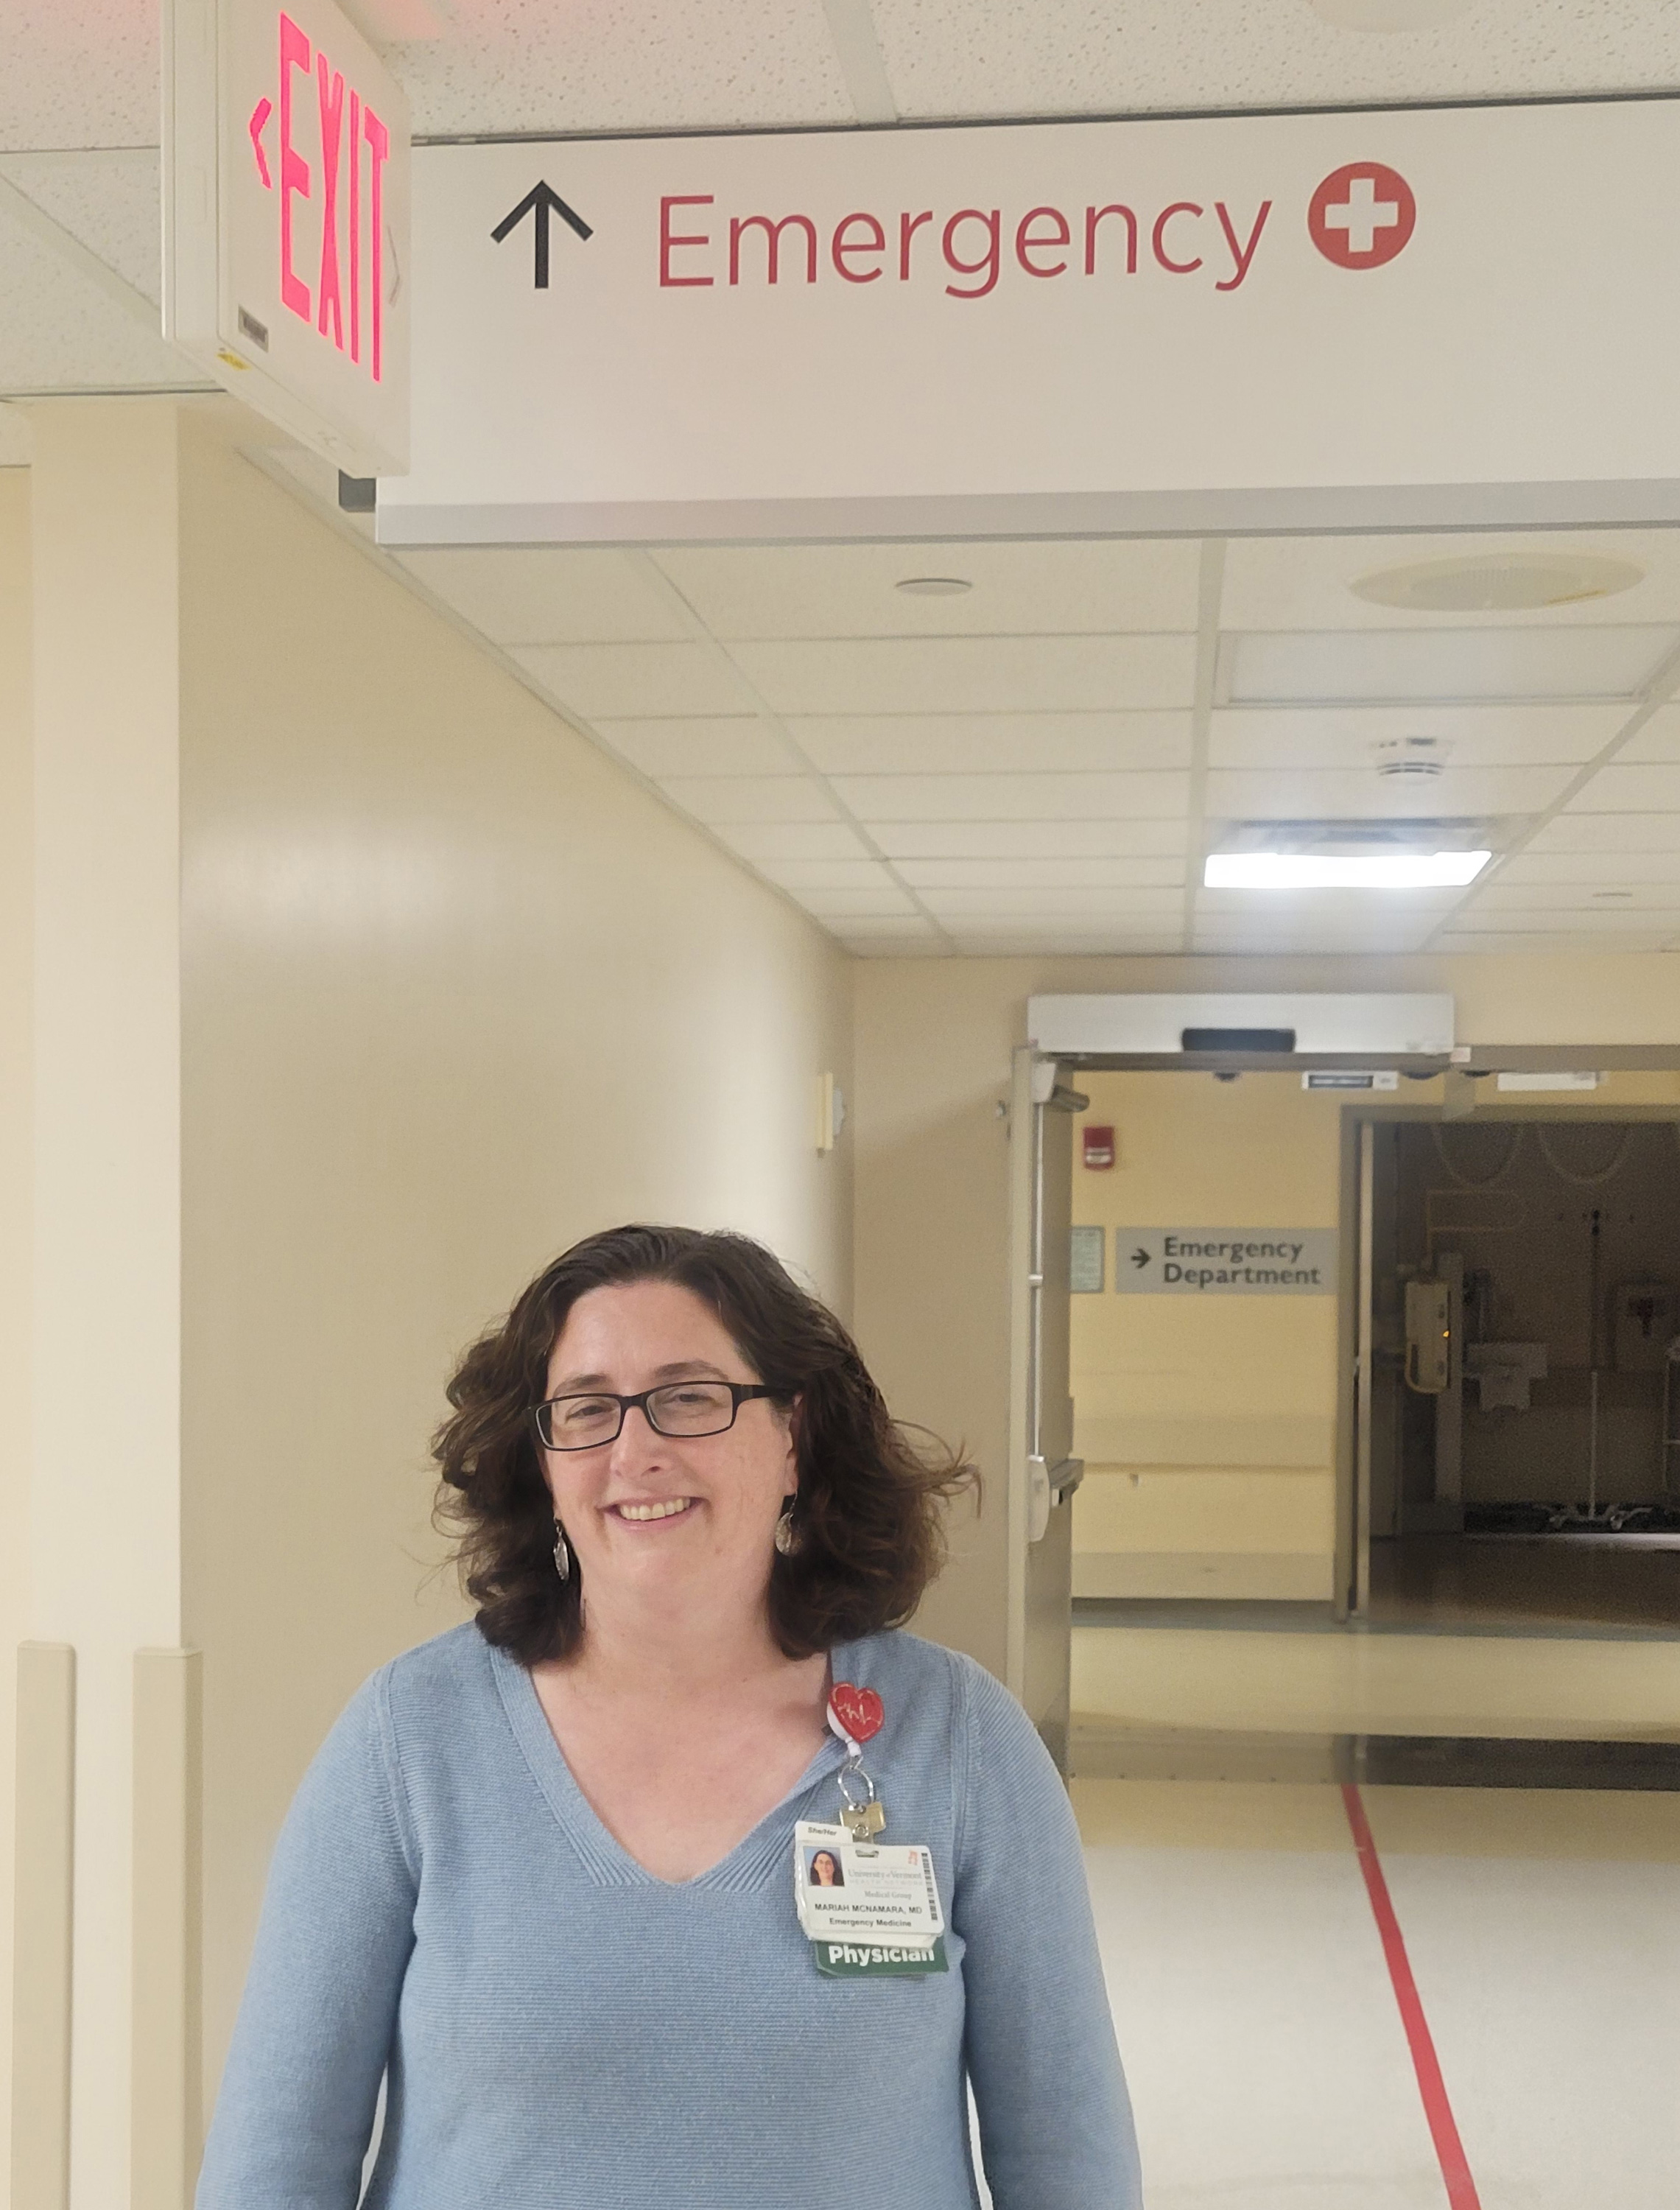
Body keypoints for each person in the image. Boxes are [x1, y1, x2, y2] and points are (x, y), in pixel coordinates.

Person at [196, 1224, 1142, 2209]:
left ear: (793, 1435)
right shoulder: (410, 1740)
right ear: (543, 1461)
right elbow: (276, 2159)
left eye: (689, 1398)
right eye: (587, 1409)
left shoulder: (960, 1742)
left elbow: (1067, 2159)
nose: (634, 1450)